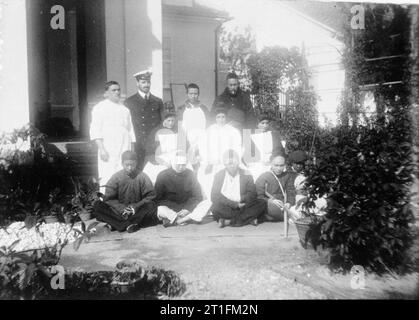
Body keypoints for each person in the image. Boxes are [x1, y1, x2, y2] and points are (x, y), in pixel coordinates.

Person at [93, 151, 159, 233]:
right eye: (127, 165)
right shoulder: (116, 177)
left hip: (137, 212)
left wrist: (135, 207)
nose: (130, 167)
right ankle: (128, 224)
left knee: (151, 206)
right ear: (122, 164)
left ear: (136, 163)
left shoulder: (143, 177)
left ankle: (116, 224)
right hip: (118, 211)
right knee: (97, 205)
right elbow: (109, 199)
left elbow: (151, 196)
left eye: (132, 165)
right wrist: (122, 208)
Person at [89, 81, 136, 193]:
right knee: (108, 173)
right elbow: (95, 130)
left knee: (123, 172)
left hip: (124, 145)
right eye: (113, 90)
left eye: (118, 90)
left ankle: (123, 198)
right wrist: (102, 149)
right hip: (108, 147)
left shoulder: (125, 109)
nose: (117, 92)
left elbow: (130, 130)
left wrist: (131, 150)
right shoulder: (99, 107)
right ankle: (107, 201)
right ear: (106, 93)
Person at [210, 150, 266, 227]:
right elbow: (214, 196)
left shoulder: (246, 173)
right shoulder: (219, 175)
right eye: (229, 163)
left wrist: (241, 201)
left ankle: (228, 222)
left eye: (235, 163)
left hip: (243, 205)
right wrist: (234, 204)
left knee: (262, 203)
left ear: (238, 162)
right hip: (227, 206)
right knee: (214, 207)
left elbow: (252, 193)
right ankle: (248, 219)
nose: (232, 166)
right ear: (224, 164)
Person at [154, 152, 211, 226]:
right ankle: (183, 218)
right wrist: (175, 209)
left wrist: (188, 209)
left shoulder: (191, 174)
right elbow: (158, 199)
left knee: (207, 203)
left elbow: (197, 196)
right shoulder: (162, 175)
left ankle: (178, 220)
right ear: (173, 162)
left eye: (183, 165)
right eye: (178, 164)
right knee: (160, 209)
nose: (181, 167)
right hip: (170, 209)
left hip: (186, 209)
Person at [197, 107, 242, 198]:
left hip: (228, 161)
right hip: (212, 162)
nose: (221, 120)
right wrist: (208, 160)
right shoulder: (209, 131)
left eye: (223, 117)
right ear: (215, 118)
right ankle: (210, 201)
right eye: (218, 117)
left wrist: (230, 160)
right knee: (204, 175)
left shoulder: (233, 131)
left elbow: (237, 147)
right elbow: (203, 147)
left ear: (226, 118)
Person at [125, 70, 164, 166]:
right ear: (137, 83)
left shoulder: (157, 101)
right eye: (143, 82)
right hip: (139, 144)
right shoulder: (129, 102)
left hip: (154, 144)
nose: (146, 85)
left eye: (148, 82)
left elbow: (162, 123)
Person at [176, 83, 210, 170]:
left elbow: (208, 127)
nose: (193, 96)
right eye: (191, 94)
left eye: (195, 94)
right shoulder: (181, 109)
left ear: (198, 94)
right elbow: (180, 130)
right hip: (188, 144)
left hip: (202, 144)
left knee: (202, 167)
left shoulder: (204, 109)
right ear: (187, 94)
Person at [244, 113, 286, 180]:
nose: (265, 125)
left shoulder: (273, 135)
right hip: (256, 167)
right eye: (262, 123)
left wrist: (272, 159)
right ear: (257, 124)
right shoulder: (252, 136)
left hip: (270, 165)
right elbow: (247, 154)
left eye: (267, 123)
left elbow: (278, 150)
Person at [255, 155, 297, 221]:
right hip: (269, 204)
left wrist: (289, 203)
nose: (279, 168)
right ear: (271, 165)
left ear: (284, 165)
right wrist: (270, 200)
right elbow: (258, 196)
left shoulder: (286, 176)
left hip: (283, 204)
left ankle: (277, 217)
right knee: (271, 207)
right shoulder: (264, 177)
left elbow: (290, 191)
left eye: (281, 165)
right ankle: (286, 217)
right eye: (276, 165)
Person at [142, 112, 180, 184]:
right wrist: (162, 161)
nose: (171, 123)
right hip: (160, 158)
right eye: (169, 120)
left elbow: (183, 146)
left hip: (175, 157)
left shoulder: (178, 130)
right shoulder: (156, 131)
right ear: (164, 120)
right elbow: (150, 150)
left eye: (173, 121)